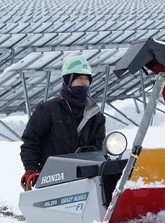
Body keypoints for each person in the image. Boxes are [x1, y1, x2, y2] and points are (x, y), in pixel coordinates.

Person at [19, 55, 106, 190]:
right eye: (79, 78)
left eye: (87, 79)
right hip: (54, 176)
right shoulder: (48, 110)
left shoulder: (95, 115)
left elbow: (98, 148)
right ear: (68, 80)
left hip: (85, 177)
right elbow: (30, 141)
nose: (84, 83)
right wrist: (31, 168)